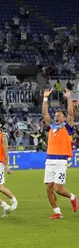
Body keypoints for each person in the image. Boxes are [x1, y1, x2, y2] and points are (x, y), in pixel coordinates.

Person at [42, 88, 77, 219]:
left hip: (61, 161)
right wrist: (45, 98)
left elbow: (71, 115)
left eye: (59, 116)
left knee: (58, 189)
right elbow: (45, 114)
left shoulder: (67, 128)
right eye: (55, 115)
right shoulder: (51, 127)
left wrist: (69, 97)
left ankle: (72, 197)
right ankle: (57, 212)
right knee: (48, 189)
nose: (56, 117)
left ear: (63, 118)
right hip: (49, 160)